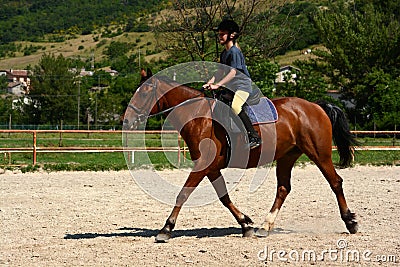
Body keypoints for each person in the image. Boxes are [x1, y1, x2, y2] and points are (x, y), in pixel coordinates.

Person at [203, 19, 262, 149]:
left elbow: (233, 73)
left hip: (243, 87)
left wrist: (218, 85)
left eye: (222, 34)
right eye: (219, 34)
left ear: (231, 35)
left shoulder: (234, 52)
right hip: (232, 88)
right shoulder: (225, 53)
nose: (219, 37)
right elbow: (220, 71)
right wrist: (210, 82)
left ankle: (254, 136)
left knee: (235, 107)